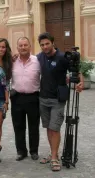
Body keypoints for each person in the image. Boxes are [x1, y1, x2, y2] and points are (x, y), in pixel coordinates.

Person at [37, 32, 83, 171]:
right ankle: (52, 154)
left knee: (55, 128)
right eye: (42, 45)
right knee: (48, 128)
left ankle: (55, 158)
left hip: (57, 99)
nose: (45, 47)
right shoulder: (39, 57)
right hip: (43, 97)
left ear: (53, 43)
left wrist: (80, 82)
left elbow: (76, 69)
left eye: (47, 44)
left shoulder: (63, 57)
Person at [10, 37, 40, 161]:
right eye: (20, 45)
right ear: (17, 48)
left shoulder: (37, 61)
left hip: (33, 97)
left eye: (25, 45)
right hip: (17, 98)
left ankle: (34, 151)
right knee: (18, 126)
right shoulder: (12, 61)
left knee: (34, 126)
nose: (23, 47)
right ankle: (21, 151)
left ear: (30, 46)